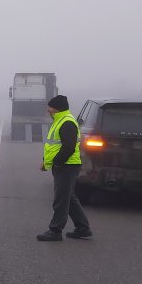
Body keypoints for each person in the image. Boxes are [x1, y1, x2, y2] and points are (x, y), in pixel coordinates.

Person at [37, 95, 92, 241]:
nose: (48, 110)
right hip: (64, 165)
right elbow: (53, 146)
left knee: (61, 199)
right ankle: (83, 228)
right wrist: (46, 162)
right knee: (69, 197)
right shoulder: (60, 121)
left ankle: (55, 230)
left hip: (67, 166)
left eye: (50, 107)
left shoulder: (67, 122)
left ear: (57, 108)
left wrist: (58, 162)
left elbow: (68, 147)